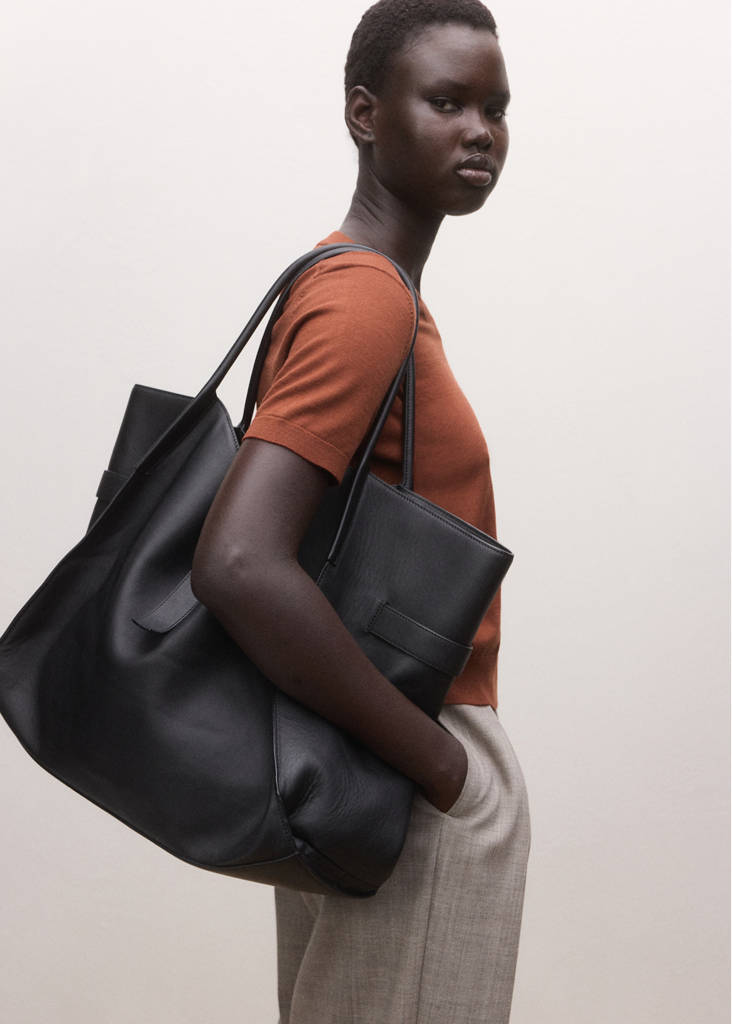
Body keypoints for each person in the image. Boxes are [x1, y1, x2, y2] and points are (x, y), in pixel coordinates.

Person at [190, 1, 531, 1020]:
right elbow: (242, 561)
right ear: (365, 114)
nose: (481, 131)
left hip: (351, 754)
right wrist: (445, 770)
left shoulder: (360, 285)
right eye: (447, 101)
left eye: (496, 108)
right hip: (405, 762)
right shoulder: (366, 299)